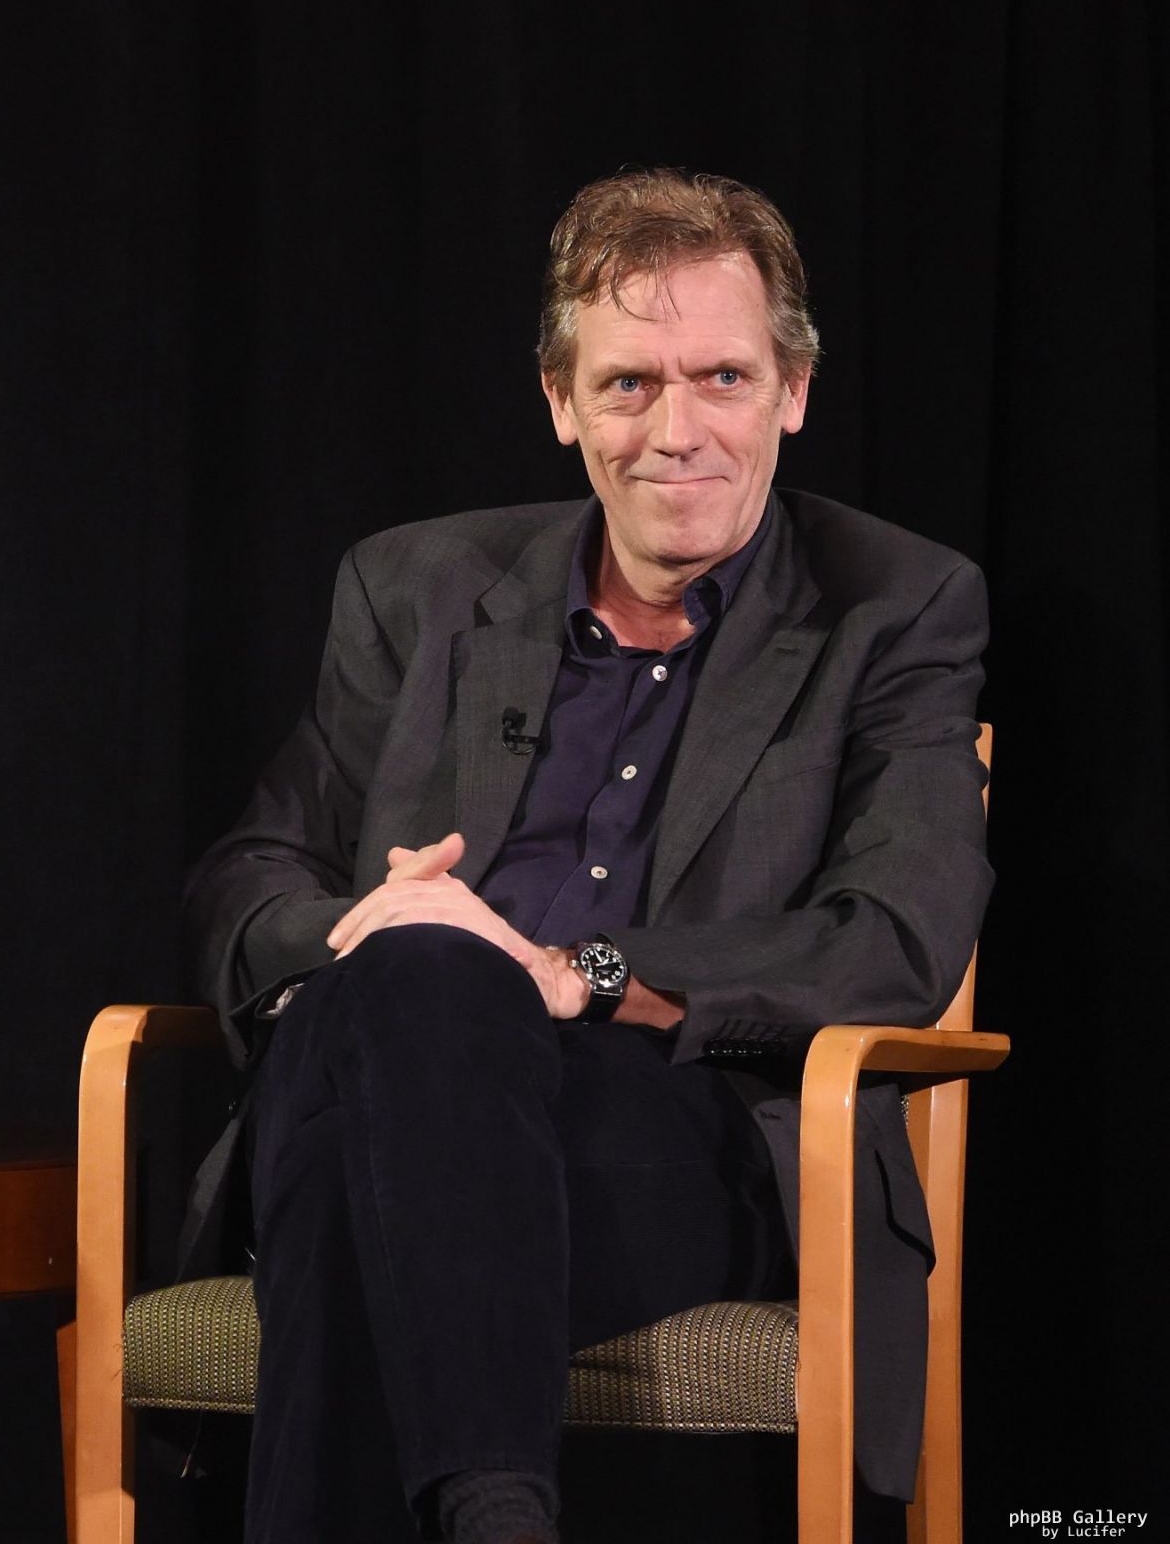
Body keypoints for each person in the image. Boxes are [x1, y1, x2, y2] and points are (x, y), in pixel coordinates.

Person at [183, 168, 994, 1544]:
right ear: (561, 401)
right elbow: (245, 881)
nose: (677, 431)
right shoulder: (416, 590)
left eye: (724, 377)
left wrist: (577, 972)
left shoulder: (896, 606)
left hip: (679, 1127)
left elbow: (895, 937)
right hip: (383, 1060)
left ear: (793, 391)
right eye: (628, 385)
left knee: (346, 1193)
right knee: (419, 979)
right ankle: (500, 1515)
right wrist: (372, 932)